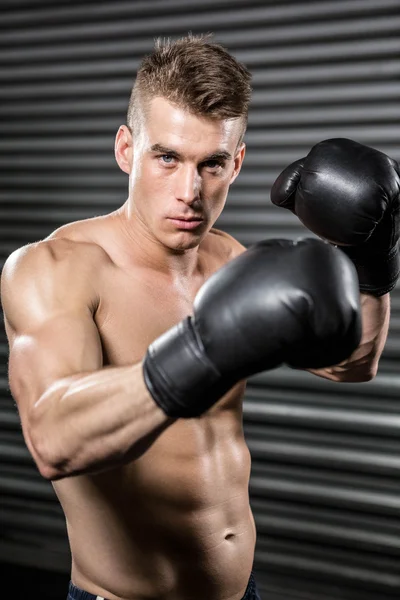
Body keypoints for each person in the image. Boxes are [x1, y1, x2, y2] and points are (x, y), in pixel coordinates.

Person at [0, 33, 397, 600]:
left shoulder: (230, 260)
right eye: (167, 157)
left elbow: (353, 364)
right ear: (125, 150)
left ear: (236, 162)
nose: (190, 191)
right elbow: (53, 439)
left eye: (211, 164)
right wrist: (202, 350)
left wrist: (373, 261)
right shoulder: (55, 267)